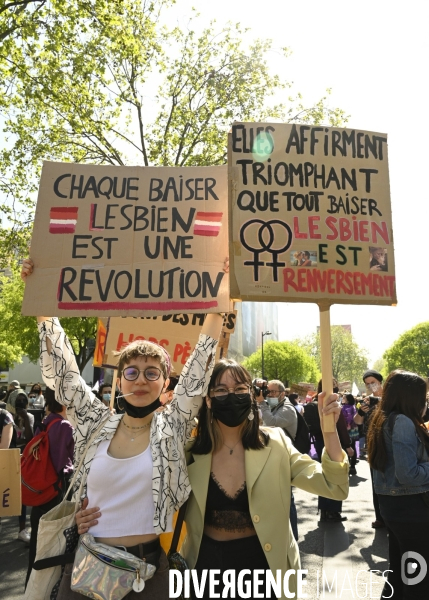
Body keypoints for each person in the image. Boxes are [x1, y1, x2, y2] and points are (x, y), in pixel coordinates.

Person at [21, 257, 225, 599]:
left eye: (151, 372)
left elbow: (200, 367)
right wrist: (42, 298)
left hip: (150, 576)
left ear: (164, 383)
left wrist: (219, 299)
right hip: (86, 570)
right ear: (119, 379)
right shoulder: (94, 422)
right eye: (131, 372)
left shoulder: (171, 427)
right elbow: (65, 372)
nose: (141, 380)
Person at [181, 359, 349, 598]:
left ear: (251, 395)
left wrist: (329, 430)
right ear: (208, 399)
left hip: (267, 568)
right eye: (221, 390)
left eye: (240, 389)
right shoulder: (189, 452)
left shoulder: (276, 443)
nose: (231, 396)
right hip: (204, 570)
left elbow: (334, 487)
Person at [368, 370, 429, 599]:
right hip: (412, 510)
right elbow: (408, 474)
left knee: (398, 571)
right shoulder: (402, 421)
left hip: (394, 508)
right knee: (417, 576)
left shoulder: (383, 417)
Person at [26, 387, 74, 587]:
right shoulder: (64, 426)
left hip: (40, 494)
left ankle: (30, 589)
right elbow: (62, 465)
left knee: (37, 549)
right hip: (55, 496)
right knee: (51, 551)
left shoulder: (46, 422)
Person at [258, 379, 299, 541]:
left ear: (283, 394)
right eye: (267, 391)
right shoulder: (274, 405)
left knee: (286, 500)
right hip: (271, 458)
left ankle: (292, 540)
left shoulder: (287, 409)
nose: (269, 395)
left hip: (283, 460)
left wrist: (262, 403)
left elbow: (271, 423)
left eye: (273, 392)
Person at [354, 369, 384, 528]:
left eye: (373, 382)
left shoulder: (390, 398)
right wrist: (361, 411)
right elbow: (357, 421)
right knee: (376, 483)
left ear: (380, 382)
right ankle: (380, 517)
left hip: (388, 443)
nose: (371, 386)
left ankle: (390, 516)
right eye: (367, 384)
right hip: (372, 446)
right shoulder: (367, 400)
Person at [341, 394, 359, 475]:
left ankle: (348, 466)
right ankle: (353, 466)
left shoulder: (346, 407)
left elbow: (348, 417)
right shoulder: (353, 406)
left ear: (347, 399)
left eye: (344, 398)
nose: (342, 399)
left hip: (347, 429)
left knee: (346, 446)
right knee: (353, 447)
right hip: (354, 429)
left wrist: (348, 425)